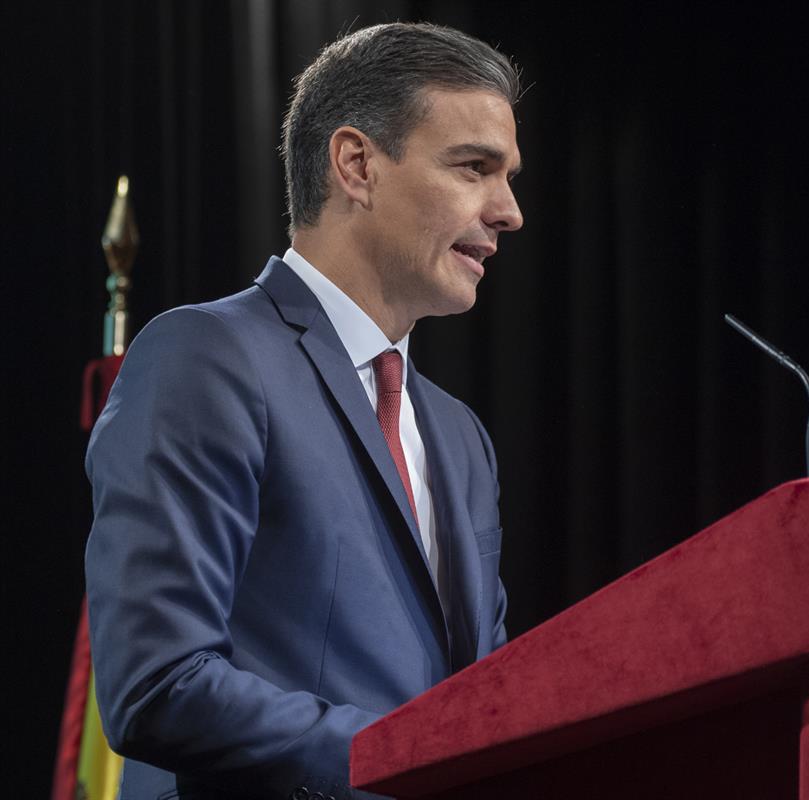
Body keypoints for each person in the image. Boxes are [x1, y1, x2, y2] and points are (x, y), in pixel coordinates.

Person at [84, 22, 523, 800]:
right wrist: (409, 757)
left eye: (507, 176)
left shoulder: (461, 438)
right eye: (474, 168)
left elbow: (481, 701)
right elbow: (158, 680)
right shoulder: (208, 357)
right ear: (357, 165)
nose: (509, 210)